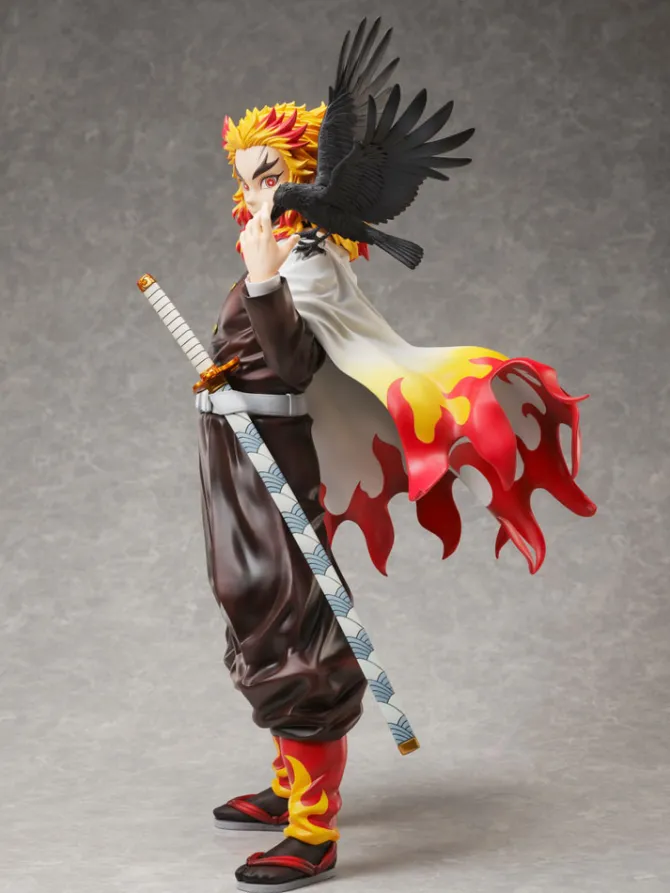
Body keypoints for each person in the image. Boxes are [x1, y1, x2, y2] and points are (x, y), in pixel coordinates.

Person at [196, 102, 596, 892]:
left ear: (303, 178)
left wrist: (266, 279)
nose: (257, 196)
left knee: (286, 618)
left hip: (274, 456)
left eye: (270, 176)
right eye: (246, 182)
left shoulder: (304, 263)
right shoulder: (281, 251)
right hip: (237, 459)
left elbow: (297, 362)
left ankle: (313, 826)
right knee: (248, 601)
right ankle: (288, 780)